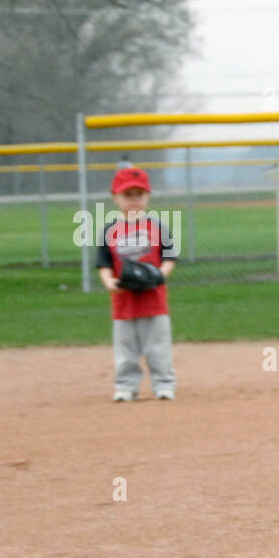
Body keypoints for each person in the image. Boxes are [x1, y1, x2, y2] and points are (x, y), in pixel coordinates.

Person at [95, 167, 177, 401]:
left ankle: (164, 384)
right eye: (127, 194)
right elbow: (104, 263)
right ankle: (126, 386)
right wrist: (109, 282)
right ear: (115, 197)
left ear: (148, 196)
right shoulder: (109, 230)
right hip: (124, 300)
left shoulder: (159, 227)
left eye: (139, 194)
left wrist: (160, 275)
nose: (134, 200)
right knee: (125, 348)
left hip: (153, 299)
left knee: (158, 347)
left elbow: (169, 258)